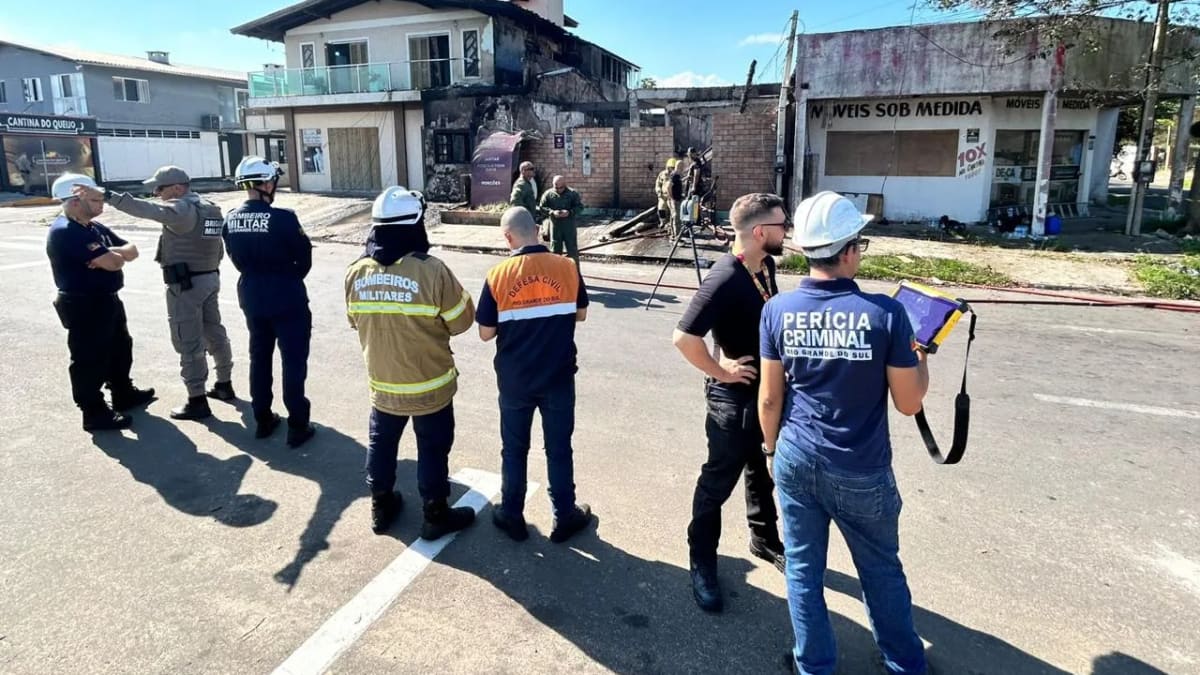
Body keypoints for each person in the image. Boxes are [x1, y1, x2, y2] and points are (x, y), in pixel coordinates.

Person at [758, 191, 929, 675]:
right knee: (879, 571)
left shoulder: (777, 310)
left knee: (805, 571)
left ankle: (813, 665)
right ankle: (904, 664)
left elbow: (770, 399)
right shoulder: (886, 314)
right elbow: (909, 401)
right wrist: (918, 358)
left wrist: (772, 450)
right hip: (860, 468)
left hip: (795, 454)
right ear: (849, 249)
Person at [671, 192, 790, 613]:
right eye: (781, 225)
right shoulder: (723, 277)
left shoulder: (766, 265)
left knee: (762, 469)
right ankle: (702, 559)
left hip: (765, 394)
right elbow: (684, 338)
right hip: (732, 400)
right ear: (760, 232)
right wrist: (721, 371)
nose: (787, 231)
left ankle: (764, 540)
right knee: (719, 480)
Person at [345, 186, 478, 540]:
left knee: (382, 444)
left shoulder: (357, 272)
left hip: (383, 386)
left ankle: (381, 505)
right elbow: (463, 321)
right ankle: (435, 513)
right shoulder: (432, 271)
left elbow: (354, 320)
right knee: (432, 448)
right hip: (430, 384)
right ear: (416, 225)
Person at [76, 166, 235, 421]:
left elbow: (148, 210)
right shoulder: (209, 207)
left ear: (177, 188)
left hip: (186, 284)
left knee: (188, 341)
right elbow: (217, 246)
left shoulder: (181, 209)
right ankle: (224, 384)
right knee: (214, 331)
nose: (156, 193)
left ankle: (197, 399)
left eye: (159, 188)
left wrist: (107, 195)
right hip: (208, 277)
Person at [477, 207, 594, 543]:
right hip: (557, 377)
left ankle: (511, 514)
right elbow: (581, 313)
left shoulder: (498, 274)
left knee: (513, 449)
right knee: (558, 449)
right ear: (539, 231)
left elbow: (485, 333)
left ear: (508, 237)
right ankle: (564, 515)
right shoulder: (566, 267)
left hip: (515, 381)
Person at [45, 173, 155, 431]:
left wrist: (109, 255)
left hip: (107, 299)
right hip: (83, 303)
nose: (101, 204)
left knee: (120, 347)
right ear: (74, 201)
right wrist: (113, 257)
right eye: (94, 200)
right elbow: (117, 261)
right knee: (89, 358)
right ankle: (93, 411)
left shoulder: (93, 228)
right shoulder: (66, 231)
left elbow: (131, 250)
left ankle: (123, 393)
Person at [222, 156, 315, 448]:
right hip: (286, 293)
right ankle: (298, 424)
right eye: (273, 180)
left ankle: (262, 419)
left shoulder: (231, 218)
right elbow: (304, 259)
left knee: (259, 357)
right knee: (293, 359)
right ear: (264, 183)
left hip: (251, 293)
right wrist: (287, 277)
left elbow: (234, 259)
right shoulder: (283, 218)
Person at [537, 175, 583, 265]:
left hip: (569, 227)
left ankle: (575, 274)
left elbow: (580, 207)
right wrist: (552, 212)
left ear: (565, 185)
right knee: (555, 252)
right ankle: (555, 275)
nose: (558, 190)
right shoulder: (548, 194)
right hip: (555, 228)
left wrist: (570, 212)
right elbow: (542, 208)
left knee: (572, 252)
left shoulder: (572, 194)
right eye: (556, 187)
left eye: (560, 187)